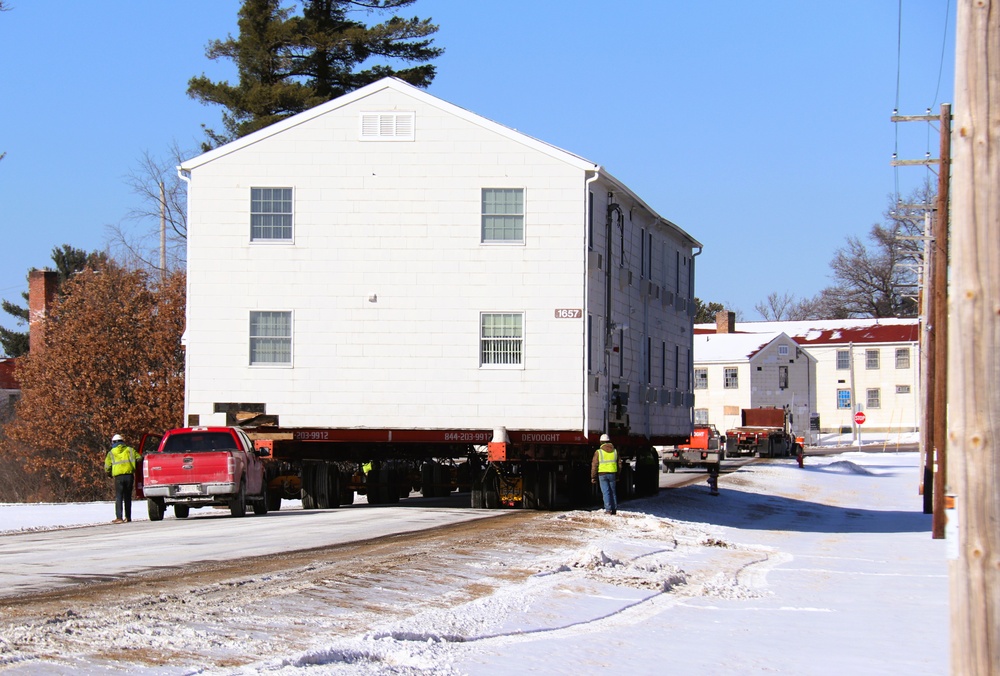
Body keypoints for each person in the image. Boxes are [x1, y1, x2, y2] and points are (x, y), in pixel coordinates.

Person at [105, 434, 140, 523]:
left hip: (118, 477)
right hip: (129, 476)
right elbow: (139, 458)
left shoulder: (111, 453)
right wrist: (134, 466)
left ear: (113, 442)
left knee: (119, 497)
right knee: (128, 497)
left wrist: (109, 474)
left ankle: (119, 517)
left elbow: (107, 466)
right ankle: (128, 517)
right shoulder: (130, 450)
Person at [591, 433, 620, 515]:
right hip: (612, 473)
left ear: (600, 442)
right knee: (613, 492)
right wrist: (618, 475)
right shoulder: (615, 451)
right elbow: (619, 464)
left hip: (602, 474)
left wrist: (593, 477)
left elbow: (594, 465)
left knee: (606, 492)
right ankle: (614, 509)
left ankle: (608, 510)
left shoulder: (598, 452)